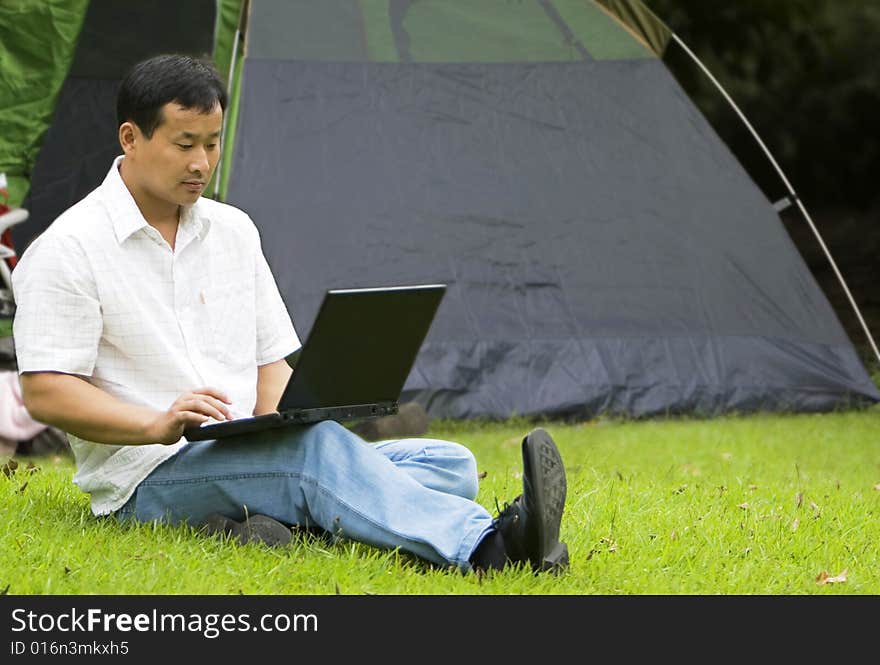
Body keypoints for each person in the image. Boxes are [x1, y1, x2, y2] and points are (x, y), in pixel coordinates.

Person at [11, 54, 569, 575]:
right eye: (184, 144)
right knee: (318, 463)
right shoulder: (70, 248)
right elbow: (46, 391)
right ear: (130, 138)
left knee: (448, 462)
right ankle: (492, 547)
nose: (201, 163)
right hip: (150, 477)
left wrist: (292, 422)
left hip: (241, 450)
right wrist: (155, 424)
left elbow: (269, 366)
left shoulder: (234, 231)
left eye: (212, 143)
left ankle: (280, 522)